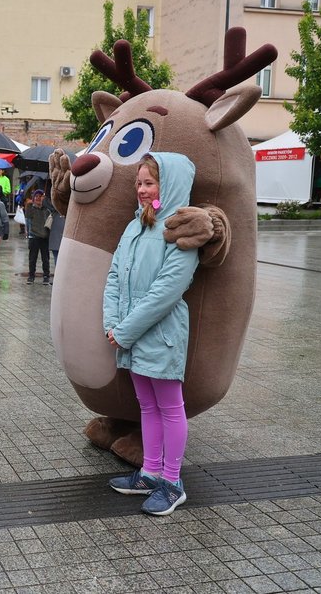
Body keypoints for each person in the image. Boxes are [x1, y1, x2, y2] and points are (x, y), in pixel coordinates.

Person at [104, 153, 200, 517]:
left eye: (150, 183)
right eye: (139, 183)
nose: (142, 190)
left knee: (170, 407)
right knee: (146, 405)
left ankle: (172, 483)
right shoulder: (135, 226)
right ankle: (149, 472)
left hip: (161, 334)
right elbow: (114, 277)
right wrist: (112, 323)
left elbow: (166, 291)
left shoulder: (181, 231)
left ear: (167, 185)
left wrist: (124, 330)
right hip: (132, 334)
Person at [23, 189, 53, 285]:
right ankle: (31, 276)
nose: (38, 198)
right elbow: (27, 215)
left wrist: (45, 202)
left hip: (44, 237)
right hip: (34, 236)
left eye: (40, 196)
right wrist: (29, 203)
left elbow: (52, 210)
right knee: (32, 258)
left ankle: (46, 276)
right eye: (36, 196)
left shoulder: (46, 209)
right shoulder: (31, 208)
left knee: (45, 258)